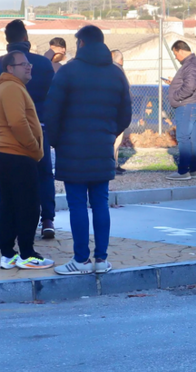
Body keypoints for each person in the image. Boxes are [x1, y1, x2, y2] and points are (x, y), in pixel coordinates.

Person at [42, 26, 132, 275]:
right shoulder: (116, 74)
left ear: (81, 43)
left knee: (77, 205)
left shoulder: (68, 71)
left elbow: (52, 112)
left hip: (72, 149)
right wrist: (108, 134)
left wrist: (57, 141)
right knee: (101, 203)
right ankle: (101, 260)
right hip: (102, 146)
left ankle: (80, 260)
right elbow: (125, 115)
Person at [0, 19, 57, 239]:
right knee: (44, 174)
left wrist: (0, 117)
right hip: (39, 127)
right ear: (26, 38)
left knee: (11, 183)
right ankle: (47, 220)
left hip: (8, 133)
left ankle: (14, 227)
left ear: (7, 40)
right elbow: (54, 96)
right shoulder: (43, 64)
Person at [0, 51, 53, 270]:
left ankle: (8, 254)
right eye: (22, 64)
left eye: (29, 63)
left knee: (10, 205)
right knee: (27, 206)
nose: (29, 67)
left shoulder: (11, 87)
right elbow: (17, 123)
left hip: (9, 154)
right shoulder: (11, 88)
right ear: (10, 68)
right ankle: (26, 254)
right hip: (16, 155)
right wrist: (35, 149)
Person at [166, 40, 196, 180]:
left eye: (175, 54)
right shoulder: (194, 63)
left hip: (188, 105)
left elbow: (190, 86)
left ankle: (183, 171)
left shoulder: (191, 65)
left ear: (181, 50)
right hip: (195, 103)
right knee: (193, 138)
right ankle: (194, 169)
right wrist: (175, 84)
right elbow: (189, 83)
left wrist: (177, 96)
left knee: (183, 137)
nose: (176, 57)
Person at [111, 48, 127, 174]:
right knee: (115, 141)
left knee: (116, 141)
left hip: (116, 110)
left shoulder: (113, 70)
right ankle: (113, 165)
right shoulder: (118, 71)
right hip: (118, 111)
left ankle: (114, 164)